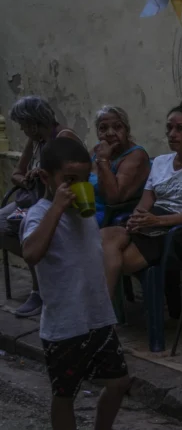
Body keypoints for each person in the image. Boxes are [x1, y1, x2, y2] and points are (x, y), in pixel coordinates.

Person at [20, 137, 131, 430]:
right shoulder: (40, 215)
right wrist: (56, 208)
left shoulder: (86, 215)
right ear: (46, 178)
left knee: (119, 382)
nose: (78, 186)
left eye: (83, 179)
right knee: (65, 394)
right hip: (64, 326)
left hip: (97, 319)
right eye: (69, 180)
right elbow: (31, 253)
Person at [101, 99, 182, 298]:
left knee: (114, 261)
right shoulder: (160, 162)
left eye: (180, 129)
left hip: (180, 230)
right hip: (152, 223)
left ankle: (102, 316)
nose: (172, 134)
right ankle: (102, 315)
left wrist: (158, 221)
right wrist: (136, 219)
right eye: (169, 128)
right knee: (102, 238)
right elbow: (145, 204)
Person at [3, 96, 85, 317]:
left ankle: (39, 289)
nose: (21, 129)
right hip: (34, 196)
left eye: (23, 124)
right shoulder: (36, 141)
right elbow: (16, 174)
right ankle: (43, 272)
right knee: (2, 223)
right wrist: (27, 179)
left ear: (32, 122)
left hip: (59, 200)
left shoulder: (64, 138)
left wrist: (46, 177)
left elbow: (76, 178)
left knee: (25, 228)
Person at [89, 105, 151, 226]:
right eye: (103, 128)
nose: (110, 133)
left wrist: (103, 160)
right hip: (84, 209)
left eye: (117, 127)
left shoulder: (136, 156)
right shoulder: (96, 150)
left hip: (109, 216)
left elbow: (113, 199)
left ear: (126, 131)